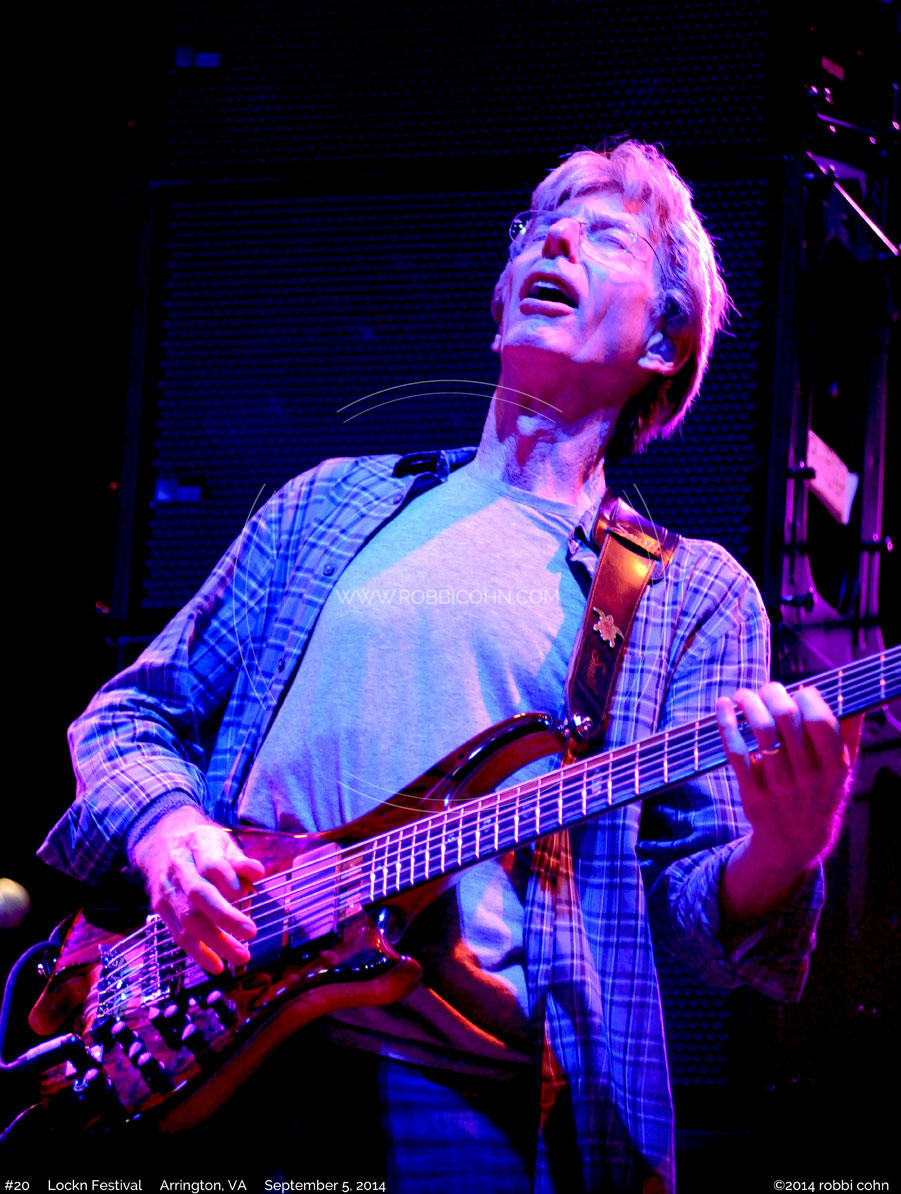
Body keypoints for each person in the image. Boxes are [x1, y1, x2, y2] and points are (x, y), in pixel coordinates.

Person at [37, 141, 857, 1193]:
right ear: (501, 295)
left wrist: (786, 845)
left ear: (663, 341)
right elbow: (130, 715)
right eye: (539, 228)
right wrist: (170, 835)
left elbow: (706, 921)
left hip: (463, 1090)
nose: (555, 243)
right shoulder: (328, 504)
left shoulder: (688, 593)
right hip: (210, 1046)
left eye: (605, 237)